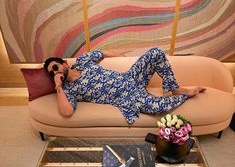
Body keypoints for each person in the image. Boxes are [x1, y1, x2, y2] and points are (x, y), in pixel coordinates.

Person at [44, 47, 206, 124]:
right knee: (157, 108)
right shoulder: (68, 90)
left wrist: (122, 59)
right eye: (52, 73)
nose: (55, 73)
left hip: (131, 77)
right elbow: (66, 112)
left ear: (65, 63)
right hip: (128, 97)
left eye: (56, 68)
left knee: (155, 52)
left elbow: (103, 52)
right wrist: (58, 87)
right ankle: (186, 95)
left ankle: (175, 88)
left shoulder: (82, 61)